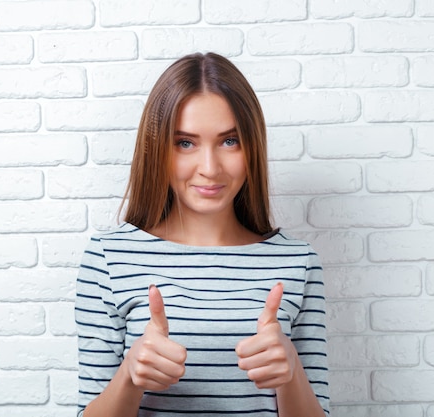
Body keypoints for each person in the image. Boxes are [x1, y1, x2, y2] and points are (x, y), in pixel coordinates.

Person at [75, 52, 329, 417]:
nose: (209, 169)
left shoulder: (298, 263)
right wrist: (129, 378)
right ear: (157, 150)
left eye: (230, 141)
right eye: (185, 143)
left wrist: (291, 374)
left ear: (252, 146)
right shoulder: (108, 258)